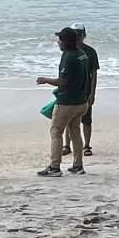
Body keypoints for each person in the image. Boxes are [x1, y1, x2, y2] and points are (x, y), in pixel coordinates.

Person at [36, 26, 92, 177]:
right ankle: (78, 165)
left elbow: (62, 82)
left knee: (56, 132)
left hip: (68, 102)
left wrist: (45, 80)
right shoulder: (82, 54)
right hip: (82, 102)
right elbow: (88, 77)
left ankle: (54, 167)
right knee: (75, 132)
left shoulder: (68, 56)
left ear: (66, 41)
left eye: (60, 39)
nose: (58, 42)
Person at [63, 24, 98, 158]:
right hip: (71, 91)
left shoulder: (91, 52)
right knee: (68, 120)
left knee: (87, 120)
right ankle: (67, 145)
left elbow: (94, 74)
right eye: (75, 33)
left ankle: (87, 145)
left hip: (85, 91)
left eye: (80, 33)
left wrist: (92, 93)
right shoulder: (68, 51)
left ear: (84, 35)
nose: (78, 36)